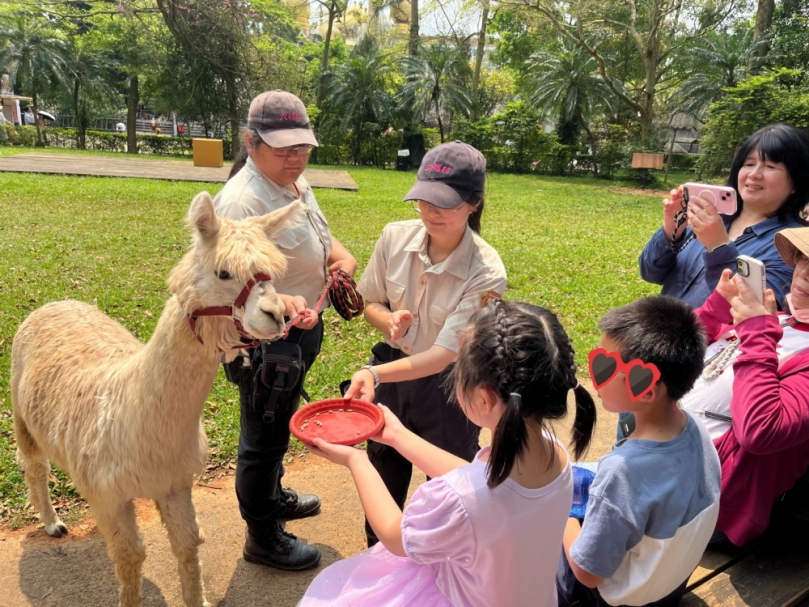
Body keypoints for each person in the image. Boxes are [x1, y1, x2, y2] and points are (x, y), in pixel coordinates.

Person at [299, 300, 597, 607]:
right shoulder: (554, 454)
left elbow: (395, 537)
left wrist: (356, 460)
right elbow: (477, 482)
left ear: (483, 399)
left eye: (458, 372)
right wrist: (397, 435)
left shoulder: (459, 501)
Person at [214, 90, 357, 571]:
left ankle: (272, 497)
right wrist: (287, 301)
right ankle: (262, 536)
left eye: (302, 147)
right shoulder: (242, 203)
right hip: (265, 342)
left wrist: (339, 257)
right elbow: (231, 287)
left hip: (298, 333)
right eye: (283, 148)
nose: (296, 157)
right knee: (263, 438)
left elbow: (317, 232)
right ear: (251, 143)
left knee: (276, 424)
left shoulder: (293, 181)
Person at [343, 141, 508, 546]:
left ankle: (444, 570)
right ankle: (379, 555)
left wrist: (371, 372)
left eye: (445, 204)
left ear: (475, 203)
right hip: (393, 376)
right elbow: (371, 304)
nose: (430, 212)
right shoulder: (394, 237)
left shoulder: (487, 272)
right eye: (423, 200)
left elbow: (443, 357)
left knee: (451, 491)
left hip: (450, 390)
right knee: (383, 474)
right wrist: (387, 319)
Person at [558, 296, 721, 607]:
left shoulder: (622, 471)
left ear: (646, 389)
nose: (595, 379)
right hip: (670, 584)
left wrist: (563, 515)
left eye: (604, 369)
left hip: (625, 600)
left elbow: (588, 574)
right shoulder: (696, 430)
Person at [682, 227, 809, 547]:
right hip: (659, 461)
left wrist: (756, 334)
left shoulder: (765, 325)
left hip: (706, 503)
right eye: (803, 258)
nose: (804, 273)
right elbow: (663, 354)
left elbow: (761, 431)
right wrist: (716, 311)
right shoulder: (778, 318)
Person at [639, 123, 809, 309]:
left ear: (796, 182)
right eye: (749, 164)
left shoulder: (793, 244)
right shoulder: (709, 217)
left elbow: (759, 312)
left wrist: (718, 246)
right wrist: (671, 231)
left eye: (770, 166)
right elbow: (651, 273)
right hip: (658, 331)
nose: (754, 174)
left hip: (709, 339)